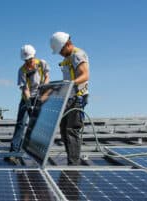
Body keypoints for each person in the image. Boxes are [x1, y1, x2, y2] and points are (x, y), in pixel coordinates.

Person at [50, 32, 89, 165]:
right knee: (64, 129)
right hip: (68, 97)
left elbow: (84, 75)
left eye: (61, 50)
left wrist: (70, 84)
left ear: (67, 44)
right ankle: (71, 160)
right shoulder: (68, 57)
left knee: (71, 130)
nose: (60, 53)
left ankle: (73, 165)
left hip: (77, 97)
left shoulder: (78, 55)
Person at [9, 44, 50, 153]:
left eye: (30, 59)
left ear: (34, 56)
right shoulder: (22, 70)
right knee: (21, 123)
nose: (28, 62)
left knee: (39, 123)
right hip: (27, 98)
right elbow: (25, 89)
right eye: (26, 60)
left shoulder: (42, 64)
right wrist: (29, 105)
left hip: (40, 96)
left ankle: (37, 149)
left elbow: (47, 77)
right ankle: (14, 150)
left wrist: (43, 90)